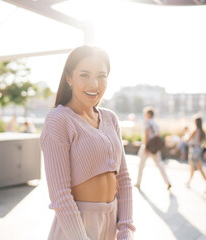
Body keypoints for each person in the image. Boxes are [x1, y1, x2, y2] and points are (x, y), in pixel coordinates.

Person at [40, 46, 135, 240]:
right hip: (75, 229)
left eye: (101, 76)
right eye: (84, 75)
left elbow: (123, 179)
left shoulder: (110, 118)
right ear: (69, 78)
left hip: (110, 225)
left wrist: (126, 230)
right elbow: (60, 194)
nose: (94, 84)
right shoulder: (59, 119)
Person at [134, 106, 172, 190]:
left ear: (148, 114)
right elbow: (158, 135)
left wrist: (146, 146)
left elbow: (146, 135)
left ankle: (138, 182)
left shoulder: (147, 123)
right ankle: (167, 182)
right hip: (154, 149)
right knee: (160, 165)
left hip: (147, 147)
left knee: (141, 166)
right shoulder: (155, 124)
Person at [186, 117, 206, 192]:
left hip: (193, 150)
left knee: (194, 168)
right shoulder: (202, 131)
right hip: (199, 150)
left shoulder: (195, 130)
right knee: (198, 168)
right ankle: (189, 182)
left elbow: (188, 139)